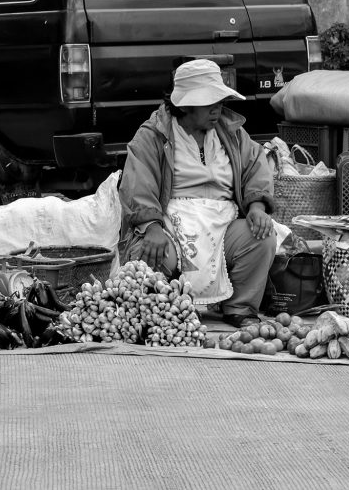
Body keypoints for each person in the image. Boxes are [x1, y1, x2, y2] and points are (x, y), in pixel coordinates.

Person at [118, 59, 277, 328]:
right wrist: (150, 226)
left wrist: (257, 207)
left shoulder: (233, 133)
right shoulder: (153, 134)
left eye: (220, 101)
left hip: (223, 225)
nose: (218, 108)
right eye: (209, 102)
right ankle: (163, 308)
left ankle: (239, 306)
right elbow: (137, 183)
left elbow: (256, 168)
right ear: (185, 104)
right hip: (169, 226)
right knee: (150, 254)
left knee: (262, 236)